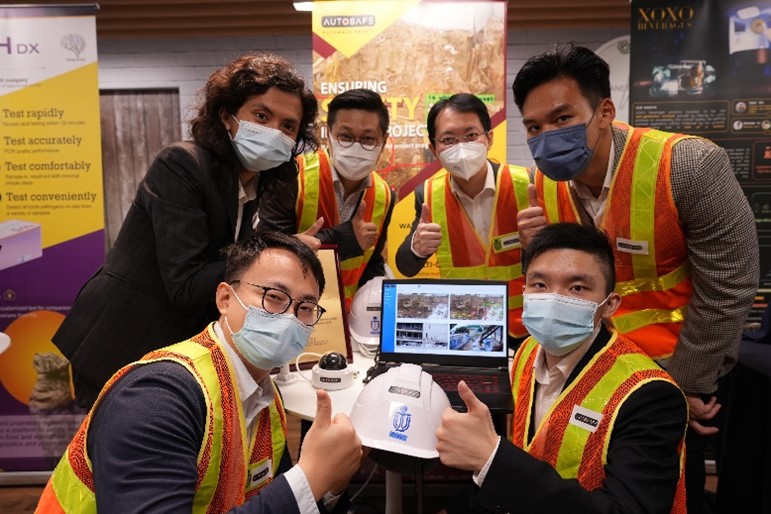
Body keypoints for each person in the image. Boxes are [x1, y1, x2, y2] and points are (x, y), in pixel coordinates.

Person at [512, 44, 759, 511]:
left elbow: (729, 283)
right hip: (587, 371)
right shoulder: (543, 184)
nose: (547, 136)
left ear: (605, 111)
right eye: (534, 127)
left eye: (562, 118)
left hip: (673, 372)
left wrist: (682, 388)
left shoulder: (687, 166)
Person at [53, 53, 320, 408]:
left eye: (288, 126)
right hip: (120, 342)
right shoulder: (182, 165)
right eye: (261, 116)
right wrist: (271, 254)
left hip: (167, 349)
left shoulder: (251, 186)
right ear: (227, 116)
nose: (275, 131)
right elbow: (187, 283)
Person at [36, 232, 363, 514]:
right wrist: (310, 478)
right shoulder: (157, 398)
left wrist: (330, 483)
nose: (290, 318)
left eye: (305, 309)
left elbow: (273, 500)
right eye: (274, 298)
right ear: (224, 298)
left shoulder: (265, 396)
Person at [436, 223, 688, 513]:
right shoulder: (527, 352)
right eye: (540, 285)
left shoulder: (650, 395)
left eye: (577, 287)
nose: (554, 300)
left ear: (609, 304)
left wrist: (491, 458)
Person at [394, 93, 531, 338]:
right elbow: (405, 266)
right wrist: (417, 247)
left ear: (489, 138)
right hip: (467, 332)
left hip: (527, 329)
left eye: (470, 136)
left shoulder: (526, 184)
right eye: (448, 139)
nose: (461, 147)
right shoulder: (426, 195)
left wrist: (540, 241)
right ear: (434, 149)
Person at [259, 88, 395, 311]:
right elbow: (266, 252)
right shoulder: (291, 176)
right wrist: (345, 238)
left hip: (345, 322)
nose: (356, 146)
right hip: (286, 313)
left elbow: (370, 266)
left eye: (368, 139)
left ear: (383, 141)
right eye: (346, 136)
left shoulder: (385, 195)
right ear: (330, 133)